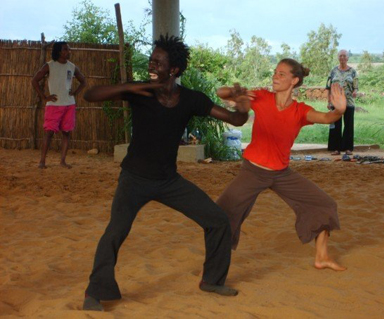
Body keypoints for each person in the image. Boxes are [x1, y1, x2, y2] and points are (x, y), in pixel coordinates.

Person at [82, 35, 250, 311]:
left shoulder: (190, 99)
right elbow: (90, 96)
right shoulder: (141, 91)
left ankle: (212, 280)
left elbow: (234, 119)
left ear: (173, 70)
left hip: (168, 181)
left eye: (158, 62)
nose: (151, 64)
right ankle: (94, 294)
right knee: (116, 231)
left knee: (218, 220)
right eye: (151, 59)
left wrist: (242, 107)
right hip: (134, 179)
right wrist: (138, 86)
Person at [216, 58, 347, 272]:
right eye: (275, 73)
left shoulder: (299, 111)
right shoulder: (261, 97)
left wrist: (339, 111)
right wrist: (235, 91)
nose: (275, 77)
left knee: (324, 204)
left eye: (282, 74)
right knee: (224, 212)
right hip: (253, 171)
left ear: (294, 80)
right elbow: (221, 93)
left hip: (281, 174)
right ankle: (214, 265)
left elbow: (325, 117)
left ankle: (322, 257)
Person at [32, 41, 86, 169]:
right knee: (49, 133)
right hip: (54, 105)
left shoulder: (72, 67)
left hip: (69, 105)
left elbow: (83, 81)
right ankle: (42, 161)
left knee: (66, 133)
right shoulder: (49, 66)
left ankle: (62, 161)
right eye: (65, 49)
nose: (69, 51)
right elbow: (34, 80)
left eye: (69, 49)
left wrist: (75, 93)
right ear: (59, 52)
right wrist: (44, 97)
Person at [327, 49, 358, 156]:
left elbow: (356, 87)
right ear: (338, 57)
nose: (342, 58)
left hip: (348, 102)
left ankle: (348, 148)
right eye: (340, 56)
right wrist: (329, 101)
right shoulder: (333, 71)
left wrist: (355, 91)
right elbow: (329, 87)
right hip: (336, 102)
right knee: (336, 125)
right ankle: (336, 148)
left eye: (344, 56)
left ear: (348, 58)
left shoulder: (353, 72)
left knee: (348, 125)